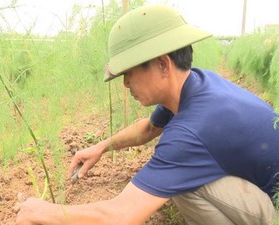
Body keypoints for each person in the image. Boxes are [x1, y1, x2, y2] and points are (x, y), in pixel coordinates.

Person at [16, 4, 279, 225]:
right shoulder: (196, 83)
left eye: (129, 73)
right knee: (178, 178)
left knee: (182, 184)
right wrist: (102, 147)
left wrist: (43, 211)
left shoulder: (190, 132)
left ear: (163, 64)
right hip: (265, 188)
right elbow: (149, 129)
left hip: (274, 209)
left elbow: (121, 215)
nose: (126, 84)